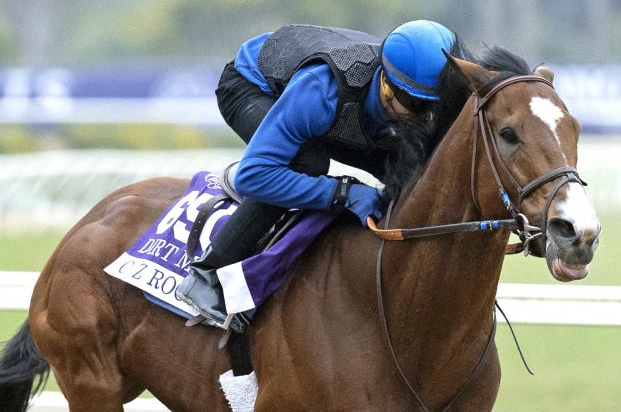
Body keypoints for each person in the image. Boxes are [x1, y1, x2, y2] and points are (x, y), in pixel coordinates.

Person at [177, 20, 463, 327]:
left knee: (414, 169)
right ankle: (208, 273)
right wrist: (343, 193)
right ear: (386, 85)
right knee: (307, 161)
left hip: (348, 112)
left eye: (435, 106)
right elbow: (254, 175)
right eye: (417, 105)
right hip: (253, 86)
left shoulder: (425, 84)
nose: (427, 116)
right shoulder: (320, 90)